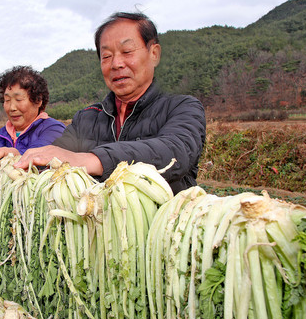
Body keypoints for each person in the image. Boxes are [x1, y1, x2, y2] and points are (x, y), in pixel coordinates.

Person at [14, 12, 206, 194]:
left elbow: (176, 152)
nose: (116, 64)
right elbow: (55, 155)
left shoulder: (183, 107)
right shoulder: (86, 118)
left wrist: (92, 159)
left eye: (127, 51)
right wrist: (15, 157)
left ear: (154, 54)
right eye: (106, 56)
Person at [0, 65, 65, 169]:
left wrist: (12, 153)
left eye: (19, 99)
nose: (12, 108)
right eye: (7, 100)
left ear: (38, 101)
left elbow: (39, 155)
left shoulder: (54, 130)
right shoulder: (0, 135)